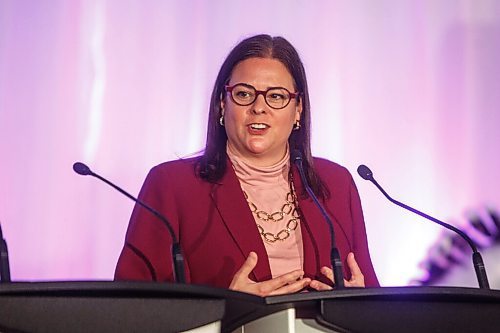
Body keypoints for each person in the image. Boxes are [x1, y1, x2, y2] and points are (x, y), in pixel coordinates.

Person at [115, 34, 379, 296]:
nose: (258, 107)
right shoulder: (172, 185)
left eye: (276, 96)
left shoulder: (336, 183)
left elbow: (370, 293)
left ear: (298, 109)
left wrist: (360, 305)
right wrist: (227, 309)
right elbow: (132, 309)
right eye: (243, 94)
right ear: (222, 103)